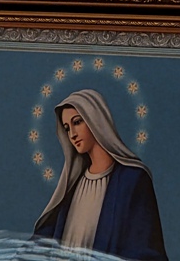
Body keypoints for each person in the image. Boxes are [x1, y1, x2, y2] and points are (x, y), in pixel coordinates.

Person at [33, 89, 168, 261]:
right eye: (67, 128)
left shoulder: (132, 180)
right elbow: (44, 242)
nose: (72, 134)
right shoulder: (72, 185)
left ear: (95, 120)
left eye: (77, 122)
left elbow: (145, 248)